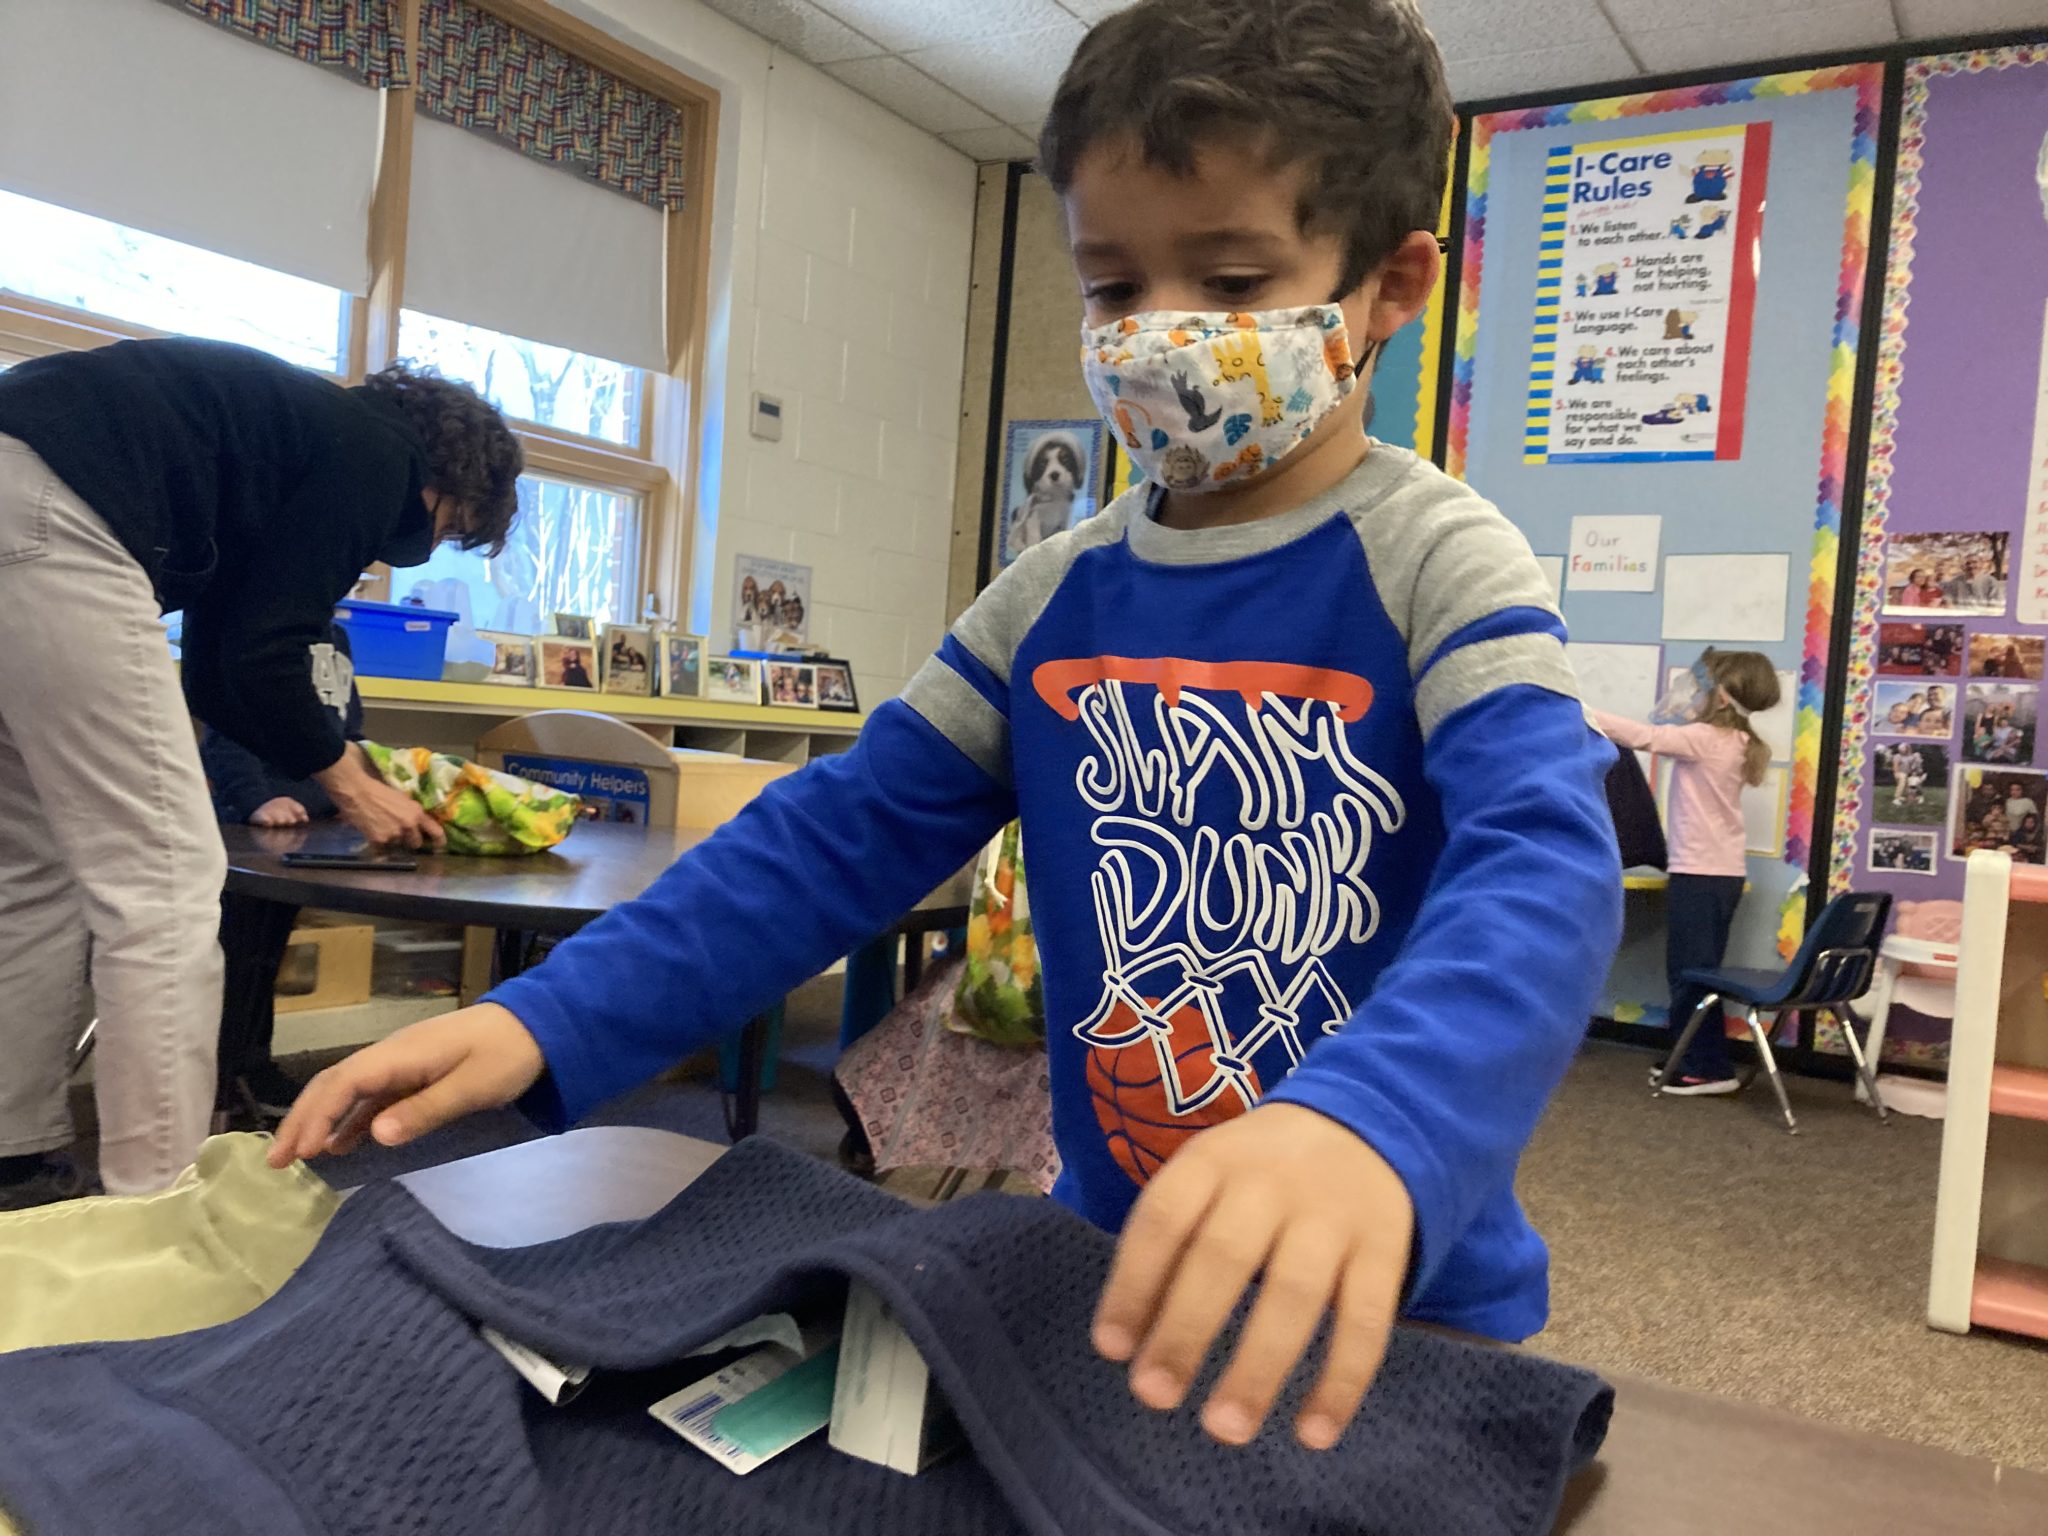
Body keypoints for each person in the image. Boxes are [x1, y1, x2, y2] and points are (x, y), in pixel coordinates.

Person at [274, 0, 1624, 1454]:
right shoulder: (1056, 591)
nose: (1160, 337)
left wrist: (1378, 1128)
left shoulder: (1441, 561)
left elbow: (1541, 869)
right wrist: (539, 1023)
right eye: (1114, 288)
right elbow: (829, 842)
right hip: (1114, 1264)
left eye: (1231, 280)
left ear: (1389, 285)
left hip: (1394, 1289)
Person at [0, 340, 520, 1208]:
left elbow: (221, 670)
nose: (422, 550)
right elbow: (271, 647)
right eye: (451, 528)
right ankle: (161, 1204)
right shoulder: (376, 451)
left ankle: (13, 1158)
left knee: (33, 864)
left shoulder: (281, 441)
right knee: (165, 884)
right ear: (451, 479)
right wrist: (351, 779)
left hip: (23, 480)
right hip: (65, 516)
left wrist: (334, 762)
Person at [1589, 649, 1782, 1096]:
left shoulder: (1705, 739)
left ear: (1719, 698)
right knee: (1697, 972)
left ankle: (1705, 1066)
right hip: (1719, 875)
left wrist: (1579, 710)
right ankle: (1691, 1055)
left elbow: (1643, 736)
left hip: (1701, 875)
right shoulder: (1734, 742)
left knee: (1691, 974)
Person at [201, 623, 364, 1121]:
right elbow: (226, 731)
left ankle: (252, 1066)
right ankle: (223, 1078)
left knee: (267, 957)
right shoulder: (262, 626)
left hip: (310, 828)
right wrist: (256, 798)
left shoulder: (335, 638)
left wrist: (354, 792)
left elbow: (348, 731)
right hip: (250, 831)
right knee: (237, 958)